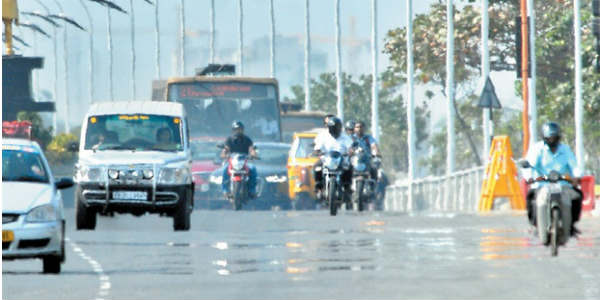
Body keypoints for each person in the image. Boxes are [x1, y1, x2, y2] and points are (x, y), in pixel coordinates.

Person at [524, 122, 583, 236]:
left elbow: (574, 165)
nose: (552, 141)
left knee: (577, 196)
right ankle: (535, 224)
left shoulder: (565, 149)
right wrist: (529, 177)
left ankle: (571, 225)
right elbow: (529, 164)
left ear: (559, 137)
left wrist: (576, 176)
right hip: (541, 185)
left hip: (563, 184)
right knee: (531, 198)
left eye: (554, 138)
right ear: (544, 138)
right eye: (549, 138)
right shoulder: (537, 149)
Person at [312, 117, 354, 198]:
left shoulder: (345, 137)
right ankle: (319, 186)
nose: (335, 130)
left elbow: (350, 147)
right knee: (317, 166)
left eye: (337, 128)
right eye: (333, 128)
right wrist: (317, 151)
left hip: (341, 160)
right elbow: (318, 147)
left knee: (349, 167)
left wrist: (351, 151)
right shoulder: (323, 136)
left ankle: (347, 186)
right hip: (326, 159)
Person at [220, 121, 258, 198]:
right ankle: (225, 191)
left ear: (243, 130)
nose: (238, 131)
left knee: (253, 169)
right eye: (236, 129)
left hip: (245, 161)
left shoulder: (247, 139)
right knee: (224, 170)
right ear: (233, 130)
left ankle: (252, 190)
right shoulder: (229, 140)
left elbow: (251, 149)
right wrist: (224, 154)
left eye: (240, 129)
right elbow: (225, 149)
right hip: (232, 162)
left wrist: (253, 154)